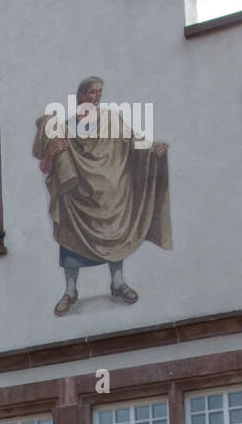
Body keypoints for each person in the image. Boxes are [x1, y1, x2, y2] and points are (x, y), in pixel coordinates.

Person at [33, 77, 170, 316]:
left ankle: (117, 283)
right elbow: (45, 167)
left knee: (114, 235)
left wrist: (152, 148)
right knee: (70, 243)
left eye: (99, 92)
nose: (97, 96)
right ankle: (70, 291)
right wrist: (52, 154)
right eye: (93, 92)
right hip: (76, 200)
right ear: (82, 96)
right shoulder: (64, 129)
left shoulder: (111, 120)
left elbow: (133, 140)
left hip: (110, 192)